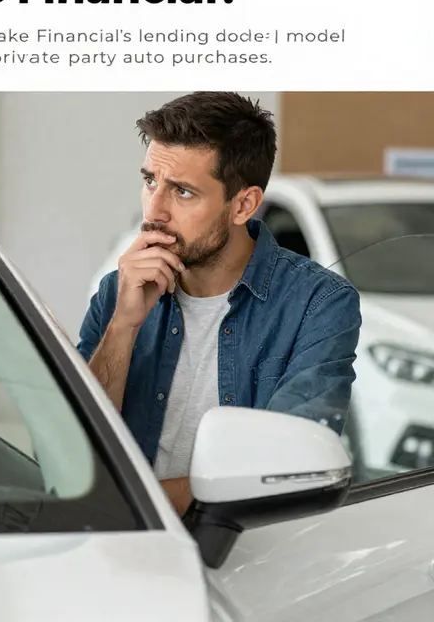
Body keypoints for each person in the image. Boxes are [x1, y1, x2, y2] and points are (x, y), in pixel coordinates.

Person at [76, 92, 361, 517]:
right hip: (120, 543)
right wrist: (123, 326)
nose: (155, 210)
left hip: (239, 545)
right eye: (150, 181)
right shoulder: (118, 292)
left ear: (244, 204)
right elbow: (75, 450)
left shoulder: (317, 305)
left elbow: (285, 466)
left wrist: (129, 507)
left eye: (183, 192)